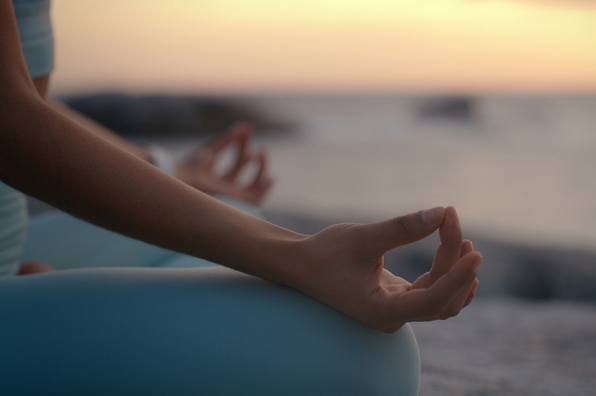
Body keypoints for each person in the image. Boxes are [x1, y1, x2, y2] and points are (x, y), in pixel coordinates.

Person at [1, 0, 481, 393]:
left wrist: (162, 171)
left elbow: (27, 97)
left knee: (235, 213)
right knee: (372, 357)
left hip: (14, 249)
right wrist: (296, 256)